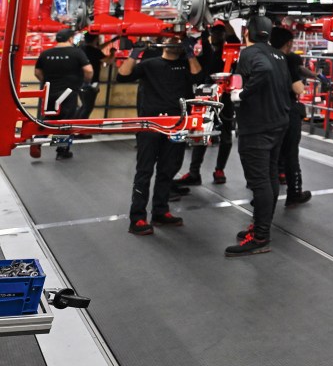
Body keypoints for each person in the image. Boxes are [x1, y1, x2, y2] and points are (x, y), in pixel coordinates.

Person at [112, 37, 202, 235]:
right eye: (172, 40)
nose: (175, 43)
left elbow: (198, 77)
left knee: (168, 169)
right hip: (150, 125)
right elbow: (122, 76)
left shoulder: (186, 65)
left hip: (177, 124)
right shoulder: (150, 64)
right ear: (164, 43)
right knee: (144, 171)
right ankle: (137, 218)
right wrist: (135, 53)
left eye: (179, 41)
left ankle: (160, 211)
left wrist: (190, 52)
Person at [228, 16, 293, 257]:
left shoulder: (250, 53)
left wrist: (242, 94)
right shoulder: (279, 55)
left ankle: (260, 236)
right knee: (270, 176)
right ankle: (261, 226)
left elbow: (262, 72)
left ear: (248, 33)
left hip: (257, 127)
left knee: (260, 181)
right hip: (278, 123)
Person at [175, 22, 236, 185]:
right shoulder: (206, 54)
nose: (218, 35)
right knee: (201, 133)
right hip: (206, 98)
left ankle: (219, 170)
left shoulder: (229, 53)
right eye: (215, 32)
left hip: (225, 99)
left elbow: (233, 37)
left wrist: (226, 20)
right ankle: (194, 173)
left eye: (221, 33)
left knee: (226, 136)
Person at [33, 28, 91, 160]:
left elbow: (37, 72)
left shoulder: (45, 53)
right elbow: (88, 70)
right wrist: (84, 81)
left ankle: (37, 140)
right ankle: (61, 150)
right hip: (68, 92)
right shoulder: (76, 52)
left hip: (50, 92)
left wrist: (47, 81)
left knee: (49, 119)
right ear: (70, 39)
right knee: (66, 123)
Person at [274, 25, 314, 207]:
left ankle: (265, 194)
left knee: (271, 154)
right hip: (287, 111)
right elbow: (298, 88)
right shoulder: (288, 59)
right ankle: (294, 193)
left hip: (269, 112)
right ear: (289, 43)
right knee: (291, 155)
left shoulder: (265, 57)